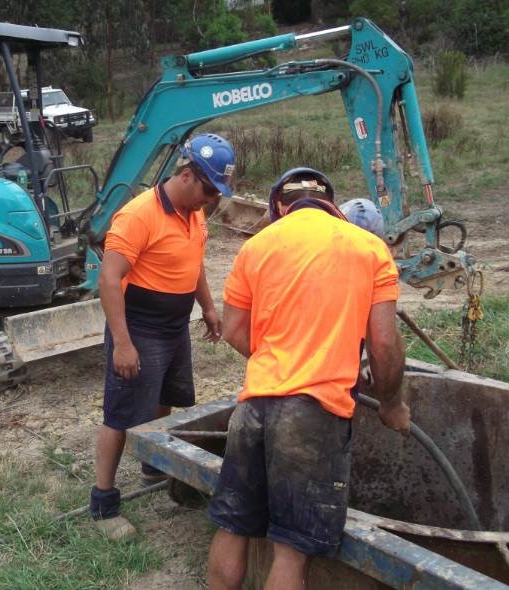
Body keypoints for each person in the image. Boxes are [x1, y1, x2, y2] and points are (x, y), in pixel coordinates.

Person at [207, 167, 409, 589]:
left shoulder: (256, 247)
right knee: (291, 548)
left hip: (252, 408)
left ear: (280, 206)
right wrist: (392, 404)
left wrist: (277, 356)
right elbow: (385, 344)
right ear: (332, 205)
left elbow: (233, 331)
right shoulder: (369, 248)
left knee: (233, 527)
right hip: (314, 416)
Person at [90, 133, 236, 539]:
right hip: (139, 327)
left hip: (174, 326)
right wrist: (122, 342)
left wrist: (207, 305)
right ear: (187, 175)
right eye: (209, 189)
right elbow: (109, 278)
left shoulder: (194, 213)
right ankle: (103, 503)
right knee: (120, 414)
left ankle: (154, 466)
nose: (211, 198)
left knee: (165, 400)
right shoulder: (139, 215)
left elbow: (194, 262)